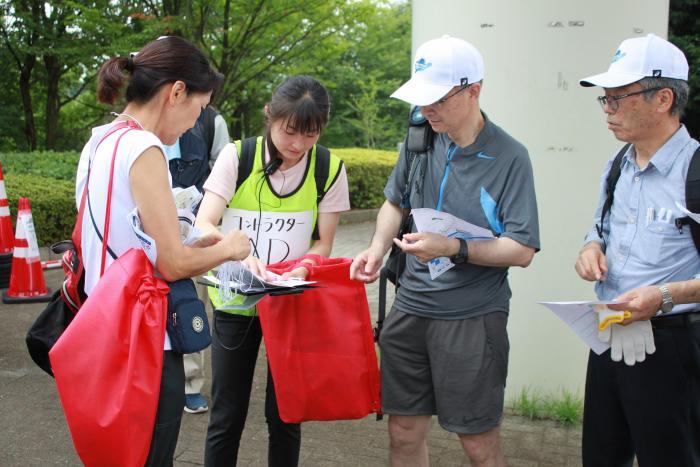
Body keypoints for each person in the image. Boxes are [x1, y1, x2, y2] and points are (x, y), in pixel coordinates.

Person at [350, 35, 540, 466]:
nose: (427, 108)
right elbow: (395, 202)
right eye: (422, 98)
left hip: (472, 316)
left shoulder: (511, 156)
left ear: (474, 90)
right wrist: (378, 248)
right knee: (401, 432)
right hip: (411, 307)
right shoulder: (420, 137)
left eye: (437, 98)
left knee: (477, 441)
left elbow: (523, 249)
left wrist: (453, 247)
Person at [84, 35, 251, 465]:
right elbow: (171, 263)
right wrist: (229, 247)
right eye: (199, 109)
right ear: (176, 92)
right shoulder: (145, 148)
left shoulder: (100, 141)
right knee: (150, 454)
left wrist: (192, 238)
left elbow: (121, 234)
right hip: (143, 341)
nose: (196, 123)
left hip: (98, 329)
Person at [196, 75, 350, 466]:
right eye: (289, 131)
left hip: (290, 301)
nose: (297, 145)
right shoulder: (238, 157)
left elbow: (323, 242)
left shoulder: (329, 168)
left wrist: (306, 265)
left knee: (286, 413)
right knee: (227, 412)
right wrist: (233, 253)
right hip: (236, 299)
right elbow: (205, 222)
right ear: (270, 115)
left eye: (310, 135)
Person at [575, 33, 700, 467]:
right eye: (604, 100)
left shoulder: (696, 170)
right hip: (609, 330)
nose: (607, 110)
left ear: (663, 98)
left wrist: (663, 296)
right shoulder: (618, 165)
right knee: (601, 456)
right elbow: (598, 230)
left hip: (673, 344)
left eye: (617, 98)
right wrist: (590, 249)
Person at [165, 106, 231, 415]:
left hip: (193, 226)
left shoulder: (210, 120)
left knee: (190, 303)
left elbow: (224, 171)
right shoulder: (137, 126)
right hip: (146, 227)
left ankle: (190, 383)